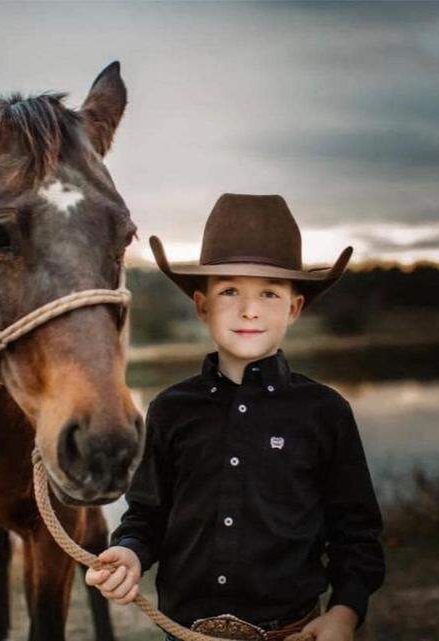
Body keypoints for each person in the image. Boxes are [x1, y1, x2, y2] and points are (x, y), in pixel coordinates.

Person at [85, 194, 386, 641]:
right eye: (230, 292)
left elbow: (355, 534)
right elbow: (146, 517)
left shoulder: (324, 412)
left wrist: (345, 611)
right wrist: (129, 551)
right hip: (185, 633)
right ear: (202, 306)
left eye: (269, 293)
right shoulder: (170, 408)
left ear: (294, 308)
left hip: (293, 632)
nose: (250, 310)